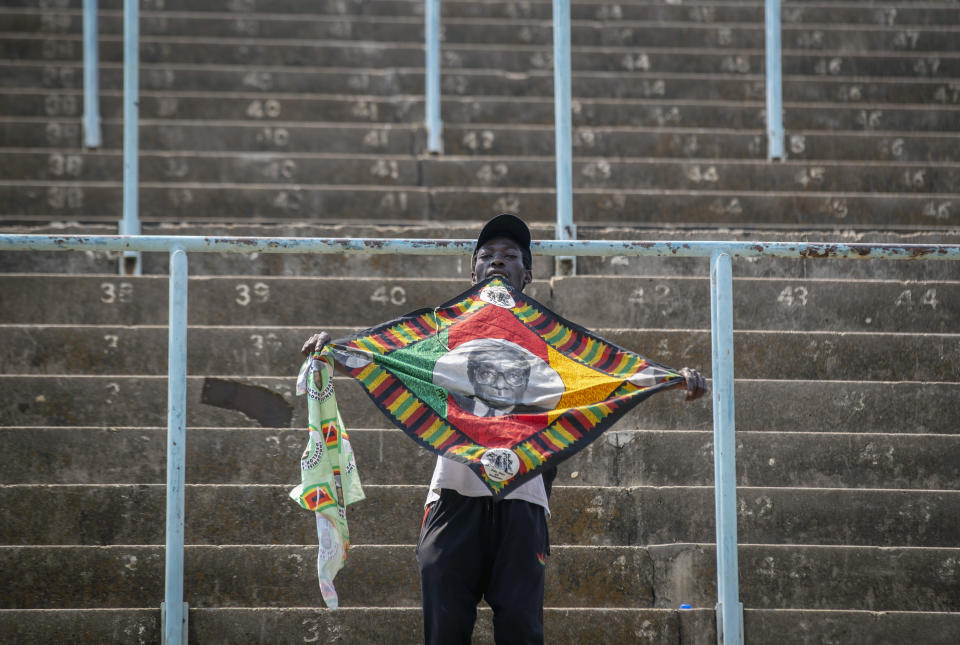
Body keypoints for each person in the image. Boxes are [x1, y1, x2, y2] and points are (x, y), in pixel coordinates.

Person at [301, 214, 707, 644]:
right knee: (444, 628)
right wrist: (335, 351)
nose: (498, 261)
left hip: (523, 500)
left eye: (510, 255)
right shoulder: (442, 334)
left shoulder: (557, 347)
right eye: (487, 255)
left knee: (520, 629)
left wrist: (671, 377)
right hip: (452, 498)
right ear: (472, 271)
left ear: (526, 274)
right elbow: (390, 358)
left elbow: (609, 376)